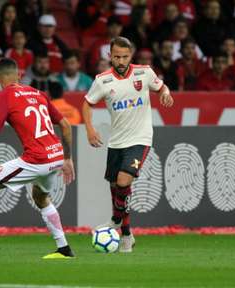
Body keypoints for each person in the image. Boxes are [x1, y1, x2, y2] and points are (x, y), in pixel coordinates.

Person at [0, 58, 75, 260]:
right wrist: (68, 159)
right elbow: (66, 125)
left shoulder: (4, 96)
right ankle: (64, 249)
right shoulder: (38, 93)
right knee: (41, 197)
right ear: (19, 75)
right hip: (56, 157)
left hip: (37, 159)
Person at [82, 36, 174, 253]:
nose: (121, 61)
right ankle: (126, 235)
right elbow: (87, 104)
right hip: (116, 141)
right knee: (116, 189)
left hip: (140, 138)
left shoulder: (144, 72)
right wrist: (90, 129)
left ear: (130, 55)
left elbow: (161, 87)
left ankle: (115, 220)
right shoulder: (102, 80)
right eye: (116, 57)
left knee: (124, 181)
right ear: (109, 56)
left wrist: (166, 93)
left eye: (124, 56)